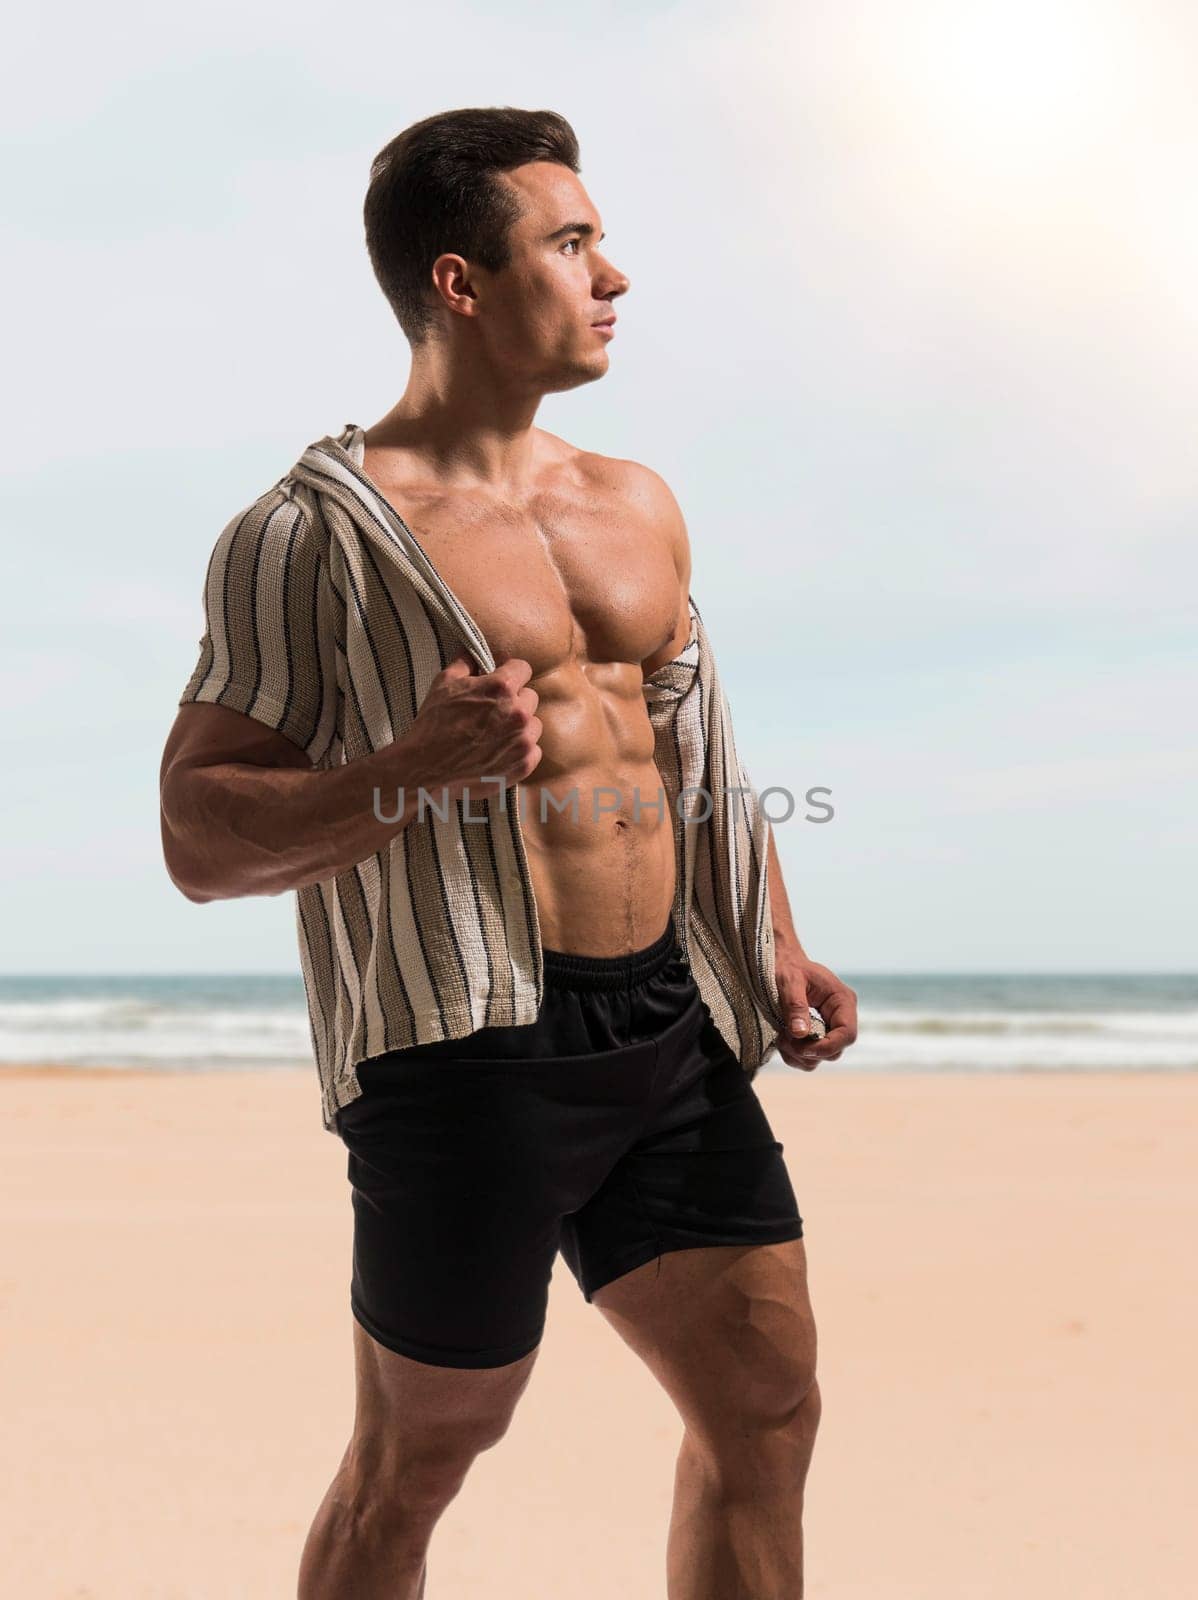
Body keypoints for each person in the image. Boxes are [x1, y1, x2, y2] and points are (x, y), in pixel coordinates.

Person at [159, 105, 858, 1600]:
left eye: (600, 238)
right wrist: (408, 769)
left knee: (769, 1408)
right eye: (573, 242)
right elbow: (198, 835)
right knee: (417, 1464)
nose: (615, 274)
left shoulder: (634, 503)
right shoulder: (310, 538)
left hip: (665, 1026)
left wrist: (773, 941)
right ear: (464, 283)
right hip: (463, 1055)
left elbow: (695, 753)